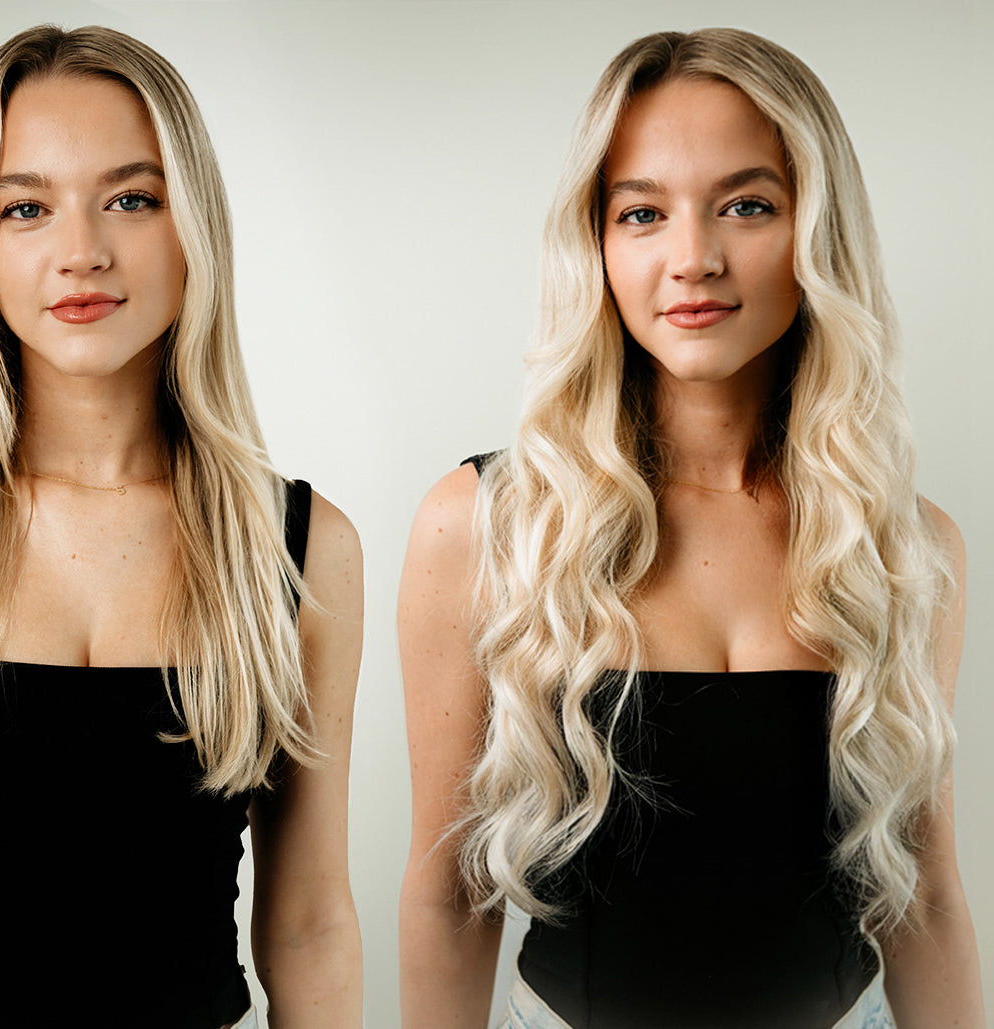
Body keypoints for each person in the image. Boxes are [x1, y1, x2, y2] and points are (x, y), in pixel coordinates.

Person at [398, 27, 983, 1029]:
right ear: (597, 242)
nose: (694, 259)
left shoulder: (905, 547)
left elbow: (922, 899)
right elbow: (450, 893)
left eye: (747, 206)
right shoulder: (489, 524)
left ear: (816, 231)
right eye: (642, 214)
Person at [0, 24, 362, 1029]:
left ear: (192, 227)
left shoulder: (302, 548)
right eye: (26, 207)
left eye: (131, 199)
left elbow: (310, 921)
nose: (82, 252)